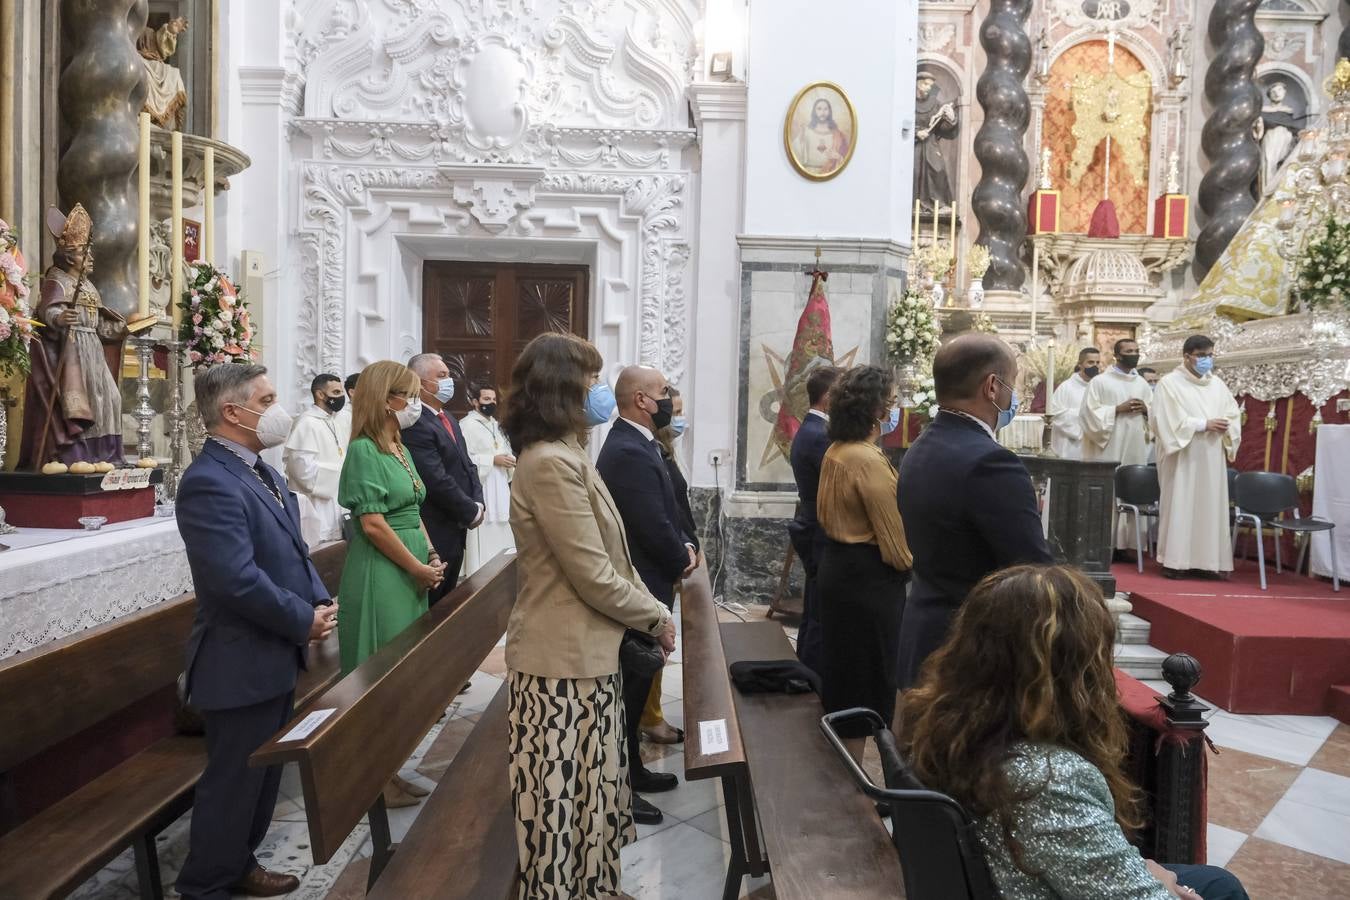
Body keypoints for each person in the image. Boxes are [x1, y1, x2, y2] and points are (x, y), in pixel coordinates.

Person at [899, 565, 1250, 900]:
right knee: (1220, 889)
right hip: (1020, 883)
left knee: (1217, 880)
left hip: (1006, 874)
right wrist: (1162, 882)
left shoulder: (945, 722)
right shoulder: (1051, 781)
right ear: (1079, 673)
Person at [501, 333, 675, 897]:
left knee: (594, 795)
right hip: (559, 662)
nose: (599, 391)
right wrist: (656, 616)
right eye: (592, 380)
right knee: (559, 804)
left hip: (589, 652)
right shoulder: (549, 463)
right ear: (562, 388)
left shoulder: (570, 452)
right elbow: (592, 573)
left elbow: (614, 558)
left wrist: (645, 609)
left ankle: (595, 888)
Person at [174, 364, 338, 900]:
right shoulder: (208, 482)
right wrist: (299, 619)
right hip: (238, 660)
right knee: (232, 786)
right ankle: (205, 886)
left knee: (261, 780)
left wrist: (316, 597)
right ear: (233, 412)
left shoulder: (257, 469)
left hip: (271, 654)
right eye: (266, 399)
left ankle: (239, 864)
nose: (277, 407)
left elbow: (290, 546)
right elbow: (234, 580)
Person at [896, 334, 1053, 689]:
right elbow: (1032, 570)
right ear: (993, 387)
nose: (1018, 398)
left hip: (923, 627)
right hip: (972, 646)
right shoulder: (991, 461)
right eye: (1016, 386)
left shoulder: (922, 445)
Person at [336, 361, 445, 806]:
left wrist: (432, 553)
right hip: (382, 572)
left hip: (409, 566)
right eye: (409, 396)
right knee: (378, 671)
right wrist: (417, 569)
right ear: (386, 400)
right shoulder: (364, 450)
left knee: (401, 675)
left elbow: (413, 510)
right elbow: (376, 525)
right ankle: (372, 780)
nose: (415, 405)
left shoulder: (397, 444)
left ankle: (391, 770)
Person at [596, 365, 698, 825]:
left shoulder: (638, 443)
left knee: (637, 689)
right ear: (641, 399)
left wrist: (687, 546)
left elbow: (670, 507)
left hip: (650, 581)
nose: (667, 399)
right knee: (629, 690)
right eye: (661, 392)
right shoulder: (627, 450)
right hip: (640, 584)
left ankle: (633, 771)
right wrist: (680, 559)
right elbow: (650, 522)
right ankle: (622, 784)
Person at [816, 365, 911, 757]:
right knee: (869, 679)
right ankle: (858, 788)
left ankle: (847, 775)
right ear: (874, 410)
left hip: (839, 571)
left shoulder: (837, 449)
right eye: (891, 403)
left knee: (847, 675)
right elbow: (894, 541)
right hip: (869, 582)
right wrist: (913, 566)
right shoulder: (866, 460)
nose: (895, 410)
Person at [19, 204, 126, 468]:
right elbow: (47, 310)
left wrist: (120, 329)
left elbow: (99, 322)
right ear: (68, 257)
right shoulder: (57, 280)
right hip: (72, 353)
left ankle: (108, 454)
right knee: (86, 399)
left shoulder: (87, 285)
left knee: (111, 397)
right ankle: (82, 455)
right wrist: (58, 317)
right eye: (84, 252)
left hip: (93, 348)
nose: (90, 257)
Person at [1152, 336, 1242, 580]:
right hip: (1183, 456)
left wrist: (1228, 426)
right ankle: (1175, 561)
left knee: (1209, 506)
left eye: (1210, 355)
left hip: (1212, 456)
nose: (1207, 360)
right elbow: (1164, 420)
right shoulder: (1169, 384)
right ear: (1187, 356)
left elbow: (1233, 413)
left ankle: (1208, 561)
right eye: (1202, 355)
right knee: (1182, 503)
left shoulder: (1217, 385)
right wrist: (1203, 423)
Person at [640, 386, 697, 746]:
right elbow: (657, 518)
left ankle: (652, 712)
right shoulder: (646, 453)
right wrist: (681, 555)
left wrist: (689, 544)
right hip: (653, 568)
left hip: (670, 560)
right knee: (653, 643)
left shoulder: (663, 450)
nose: (677, 419)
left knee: (660, 643)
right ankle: (650, 716)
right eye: (673, 411)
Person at [402, 353, 482, 601]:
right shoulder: (416, 423)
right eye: (442, 376)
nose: (450, 382)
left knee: (449, 597)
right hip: (435, 523)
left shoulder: (447, 418)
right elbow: (435, 478)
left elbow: (467, 464)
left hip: (456, 523)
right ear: (420, 382)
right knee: (434, 600)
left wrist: (477, 503)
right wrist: (469, 510)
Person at [1081, 338, 1153, 558]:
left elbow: (1156, 413)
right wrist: (1116, 410)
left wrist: (1146, 409)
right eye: (1129, 351)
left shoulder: (1141, 384)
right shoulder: (1100, 382)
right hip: (1109, 445)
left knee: (1132, 489)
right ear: (1117, 355)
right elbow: (1088, 415)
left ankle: (1129, 545)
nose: (1134, 354)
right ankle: (1104, 544)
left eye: (1137, 350)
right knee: (1109, 491)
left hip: (1135, 444)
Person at [789, 365, 839, 674]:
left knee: (814, 611)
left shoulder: (810, 428)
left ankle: (807, 667)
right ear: (829, 396)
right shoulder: (819, 435)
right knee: (819, 614)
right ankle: (811, 675)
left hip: (813, 524)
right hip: (821, 529)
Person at [283, 373, 349, 547]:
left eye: (341, 392)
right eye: (335, 392)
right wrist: (343, 473)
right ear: (320, 394)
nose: (341, 397)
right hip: (317, 507)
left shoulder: (336, 421)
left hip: (338, 503)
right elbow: (303, 471)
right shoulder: (307, 423)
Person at [459, 382, 516, 575]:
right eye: (486, 399)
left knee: (503, 523)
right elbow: (465, 459)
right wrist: (492, 459)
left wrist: (509, 460)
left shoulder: (496, 425)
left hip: (500, 483)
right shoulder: (466, 425)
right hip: (482, 484)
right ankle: (480, 570)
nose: (491, 403)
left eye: (493, 399)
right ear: (475, 402)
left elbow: (504, 449)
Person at [913, 70, 958, 211]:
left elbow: (943, 128)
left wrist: (951, 118)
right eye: (925, 84)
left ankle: (939, 204)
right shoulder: (906, 102)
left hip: (930, 144)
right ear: (917, 84)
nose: (928, 88)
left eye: (930, 86)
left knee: (938, 169)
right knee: (914, 171)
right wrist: (916, 132)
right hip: (912, 144)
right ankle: (914, 205)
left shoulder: (935, 104)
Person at [1048, 348, 1099, 460]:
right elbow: (1055, 414)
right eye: (1090, 362)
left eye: (1097, 363)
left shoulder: (1100, 387)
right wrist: (1085, 417)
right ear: (1080, 364)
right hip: (1070, 444)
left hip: (1094, 444)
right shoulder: (1066, 387)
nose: (1095, 366)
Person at [793, 97, 850, 176]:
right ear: (814, 111)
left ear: (830, 112)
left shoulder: (838, 135)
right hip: (807, 173)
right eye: (819, 109)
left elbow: (846, 158)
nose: (822, 112)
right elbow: (795, 153)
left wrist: (839, 157)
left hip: (830, 173)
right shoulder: (805, 131)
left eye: (826, 109)